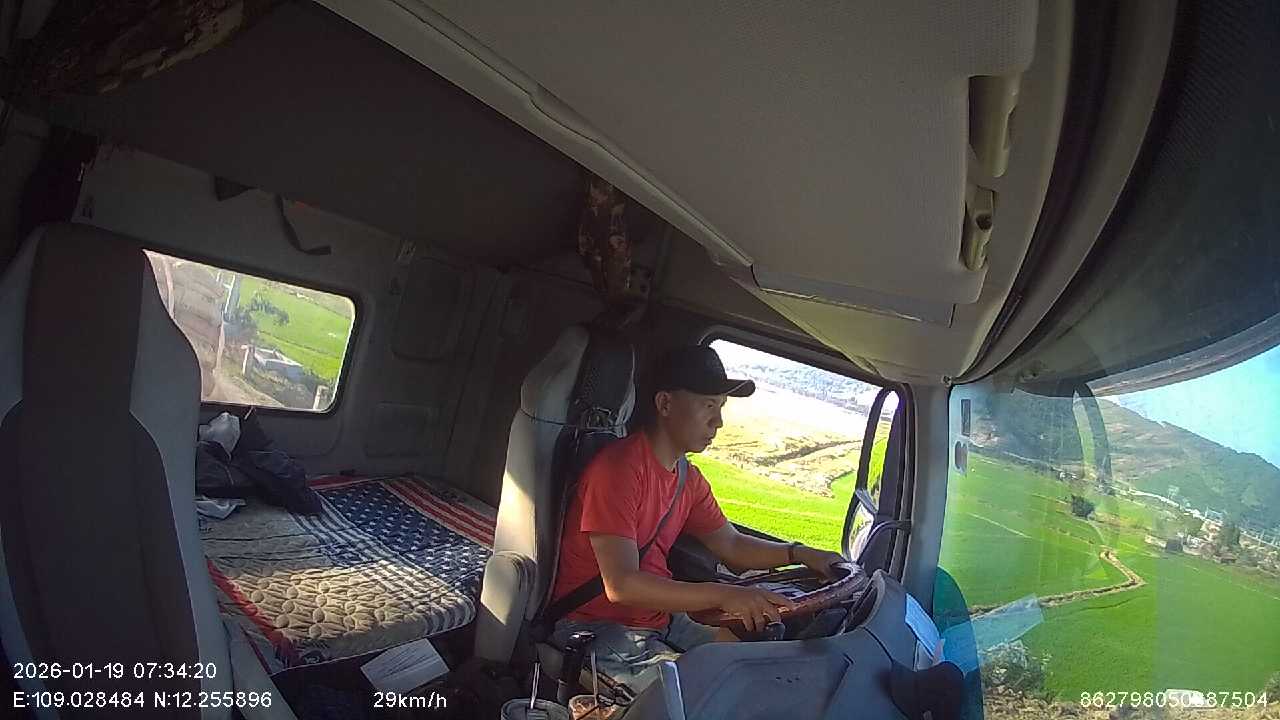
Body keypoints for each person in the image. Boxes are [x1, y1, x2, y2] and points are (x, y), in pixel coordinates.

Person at [548, 344, 846, 691]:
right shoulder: (619, 470)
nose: (718, 422)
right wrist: (722, 595)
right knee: (709, 698)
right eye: (708, 405)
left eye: (720, 407)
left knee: (757, 673)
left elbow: (732, 545)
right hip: (595, 627)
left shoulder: (687, 479)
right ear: (665, 404)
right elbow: (622, 584)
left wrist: (800, 553)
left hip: (659, 620)